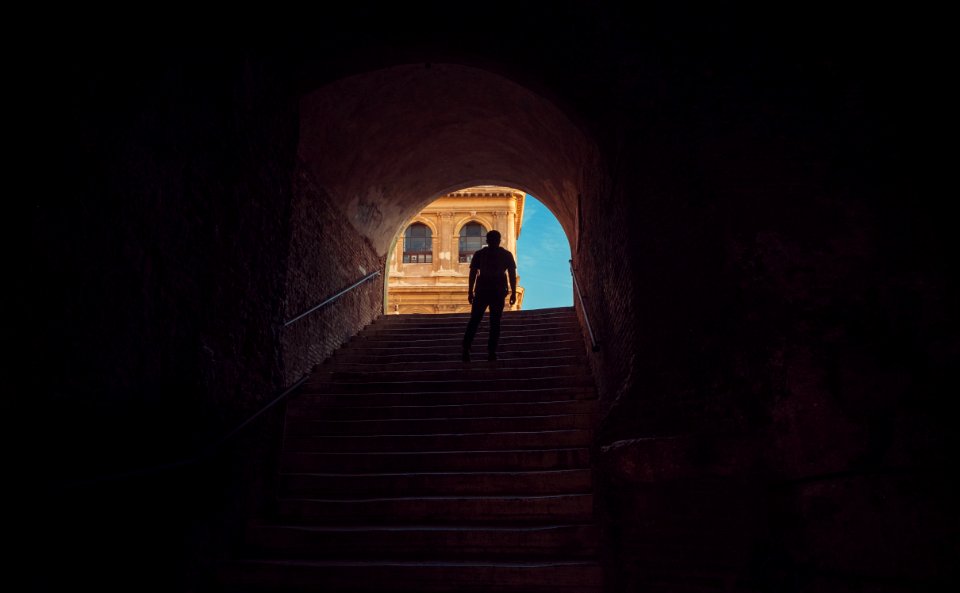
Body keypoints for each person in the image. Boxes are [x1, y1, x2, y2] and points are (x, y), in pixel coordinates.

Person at [462, 230, 517, 362]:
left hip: (486, 291)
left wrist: (470, 291)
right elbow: (511, 275)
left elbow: (473, 274)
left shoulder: (481, 254)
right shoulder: (505, 255)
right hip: (493, 291)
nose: (493, 241)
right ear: (498, 240)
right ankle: (489, 352)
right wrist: (513, 292)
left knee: (476, 321)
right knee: (492, 322)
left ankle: (468, 349)